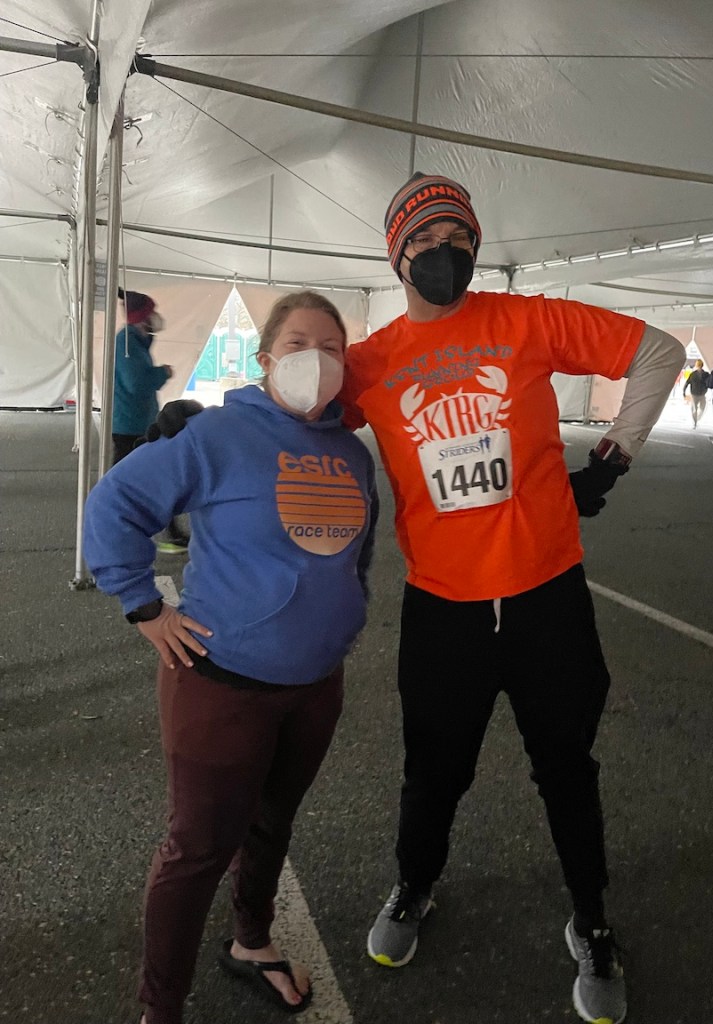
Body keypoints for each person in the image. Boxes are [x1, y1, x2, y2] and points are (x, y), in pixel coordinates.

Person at [149, 173, 685, 1024]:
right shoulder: (374, 362)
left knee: (568, 771)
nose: (448, 257)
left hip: (549, 597)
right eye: (428, 245)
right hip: (445, 610)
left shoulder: (528, 320)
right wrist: (206, 426)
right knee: (433, 772)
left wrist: (614, 458)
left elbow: (659, 350)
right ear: (396, 256)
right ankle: (413, 887)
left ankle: (592, 920)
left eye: (460, 241)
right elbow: (296, 407)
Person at [84, 290, 378, 1024]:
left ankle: (250, 940)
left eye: (334, 348)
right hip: (221, 685)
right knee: (197, 851)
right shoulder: (218, 436)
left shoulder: (350, 453)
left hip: (315, 687)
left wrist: (346, 615)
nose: (319, 359)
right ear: (267, 357)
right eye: (301, 342)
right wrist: (145, 605)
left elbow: (357, 554)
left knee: (272, 822)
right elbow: (114, 507)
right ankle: (162, 1006)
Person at [112, 287, 189, 553]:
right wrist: (162, 373)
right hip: (130, 425)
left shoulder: (135, 341)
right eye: (152, 312)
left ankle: (160, 531)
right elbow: (136, 382)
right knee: (134, 482)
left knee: (148, 479)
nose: (156, 317)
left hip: (136, 421)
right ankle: (121, 535)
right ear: (143, 317)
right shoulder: (128, 343)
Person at [682, 358, 710, 428]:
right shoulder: (704, 374)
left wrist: (684, 392)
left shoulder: (695, 374)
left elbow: (687, 383)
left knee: (697, 408)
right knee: (699, 408)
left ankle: (696, 420)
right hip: (699, 393)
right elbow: (687, 383)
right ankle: (696, 421)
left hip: (697, 393)